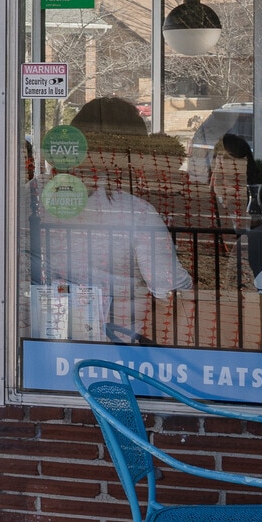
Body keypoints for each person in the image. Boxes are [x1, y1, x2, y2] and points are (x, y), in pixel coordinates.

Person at [33, 97, 192, 340]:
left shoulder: (30, 195)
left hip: (37, 336)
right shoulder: (136, 212)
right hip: (119, 342)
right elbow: (168, 286)